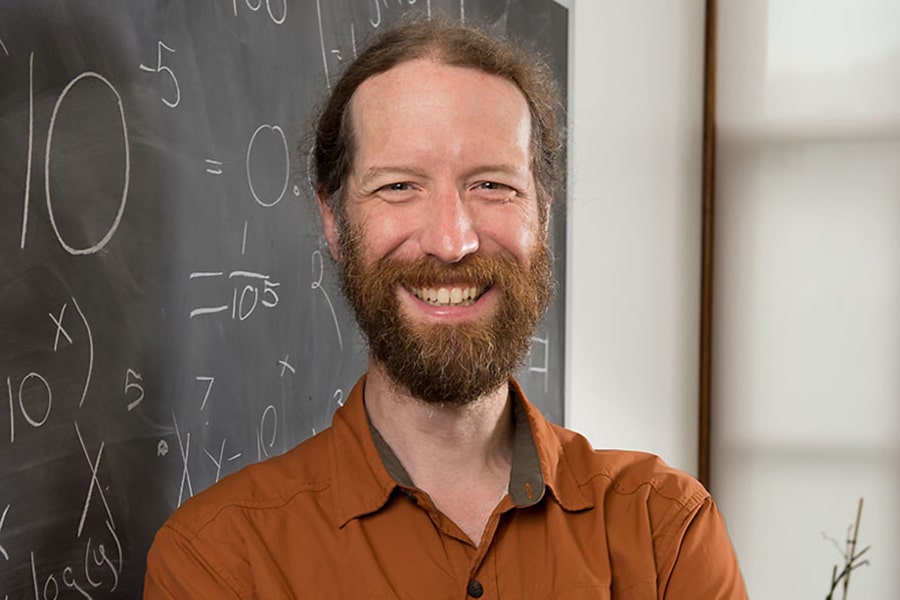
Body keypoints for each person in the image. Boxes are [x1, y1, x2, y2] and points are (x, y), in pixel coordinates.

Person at [144, 18, 747, 599]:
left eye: (492, 185)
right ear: (333, 219)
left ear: (542, 212)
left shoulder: (664, 530)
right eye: (398, 186)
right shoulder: (221, 559)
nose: (452, 241)